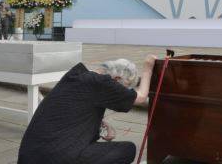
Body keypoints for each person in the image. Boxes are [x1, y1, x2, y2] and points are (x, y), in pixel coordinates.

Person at [18, 55, 157, 164]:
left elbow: (71, 108)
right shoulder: (101, 82)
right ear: (117, 78)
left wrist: (102, 124)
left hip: (30, 155)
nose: (121, 92)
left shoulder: (76, 76)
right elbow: (140, 97)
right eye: (123, 87)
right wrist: (148, 68)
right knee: (127, 150)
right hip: (55, 157)